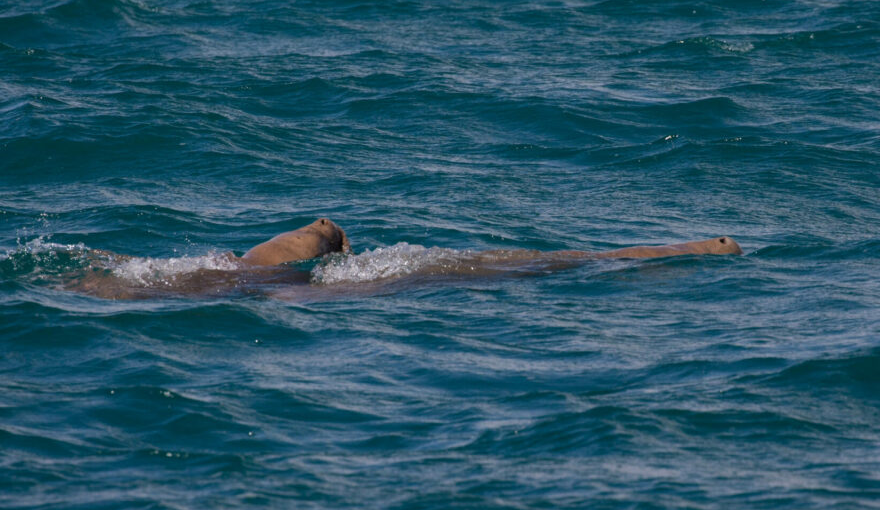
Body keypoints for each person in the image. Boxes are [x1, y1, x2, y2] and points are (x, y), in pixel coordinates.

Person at [63, 217, 741, 298]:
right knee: (536, 263)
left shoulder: (225, 269)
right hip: (289, 286)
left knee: (536, 262)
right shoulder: (258, 270)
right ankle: (688, 247)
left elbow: (323, 225)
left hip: (257, 281)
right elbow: (325, 226)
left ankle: (689, 246)